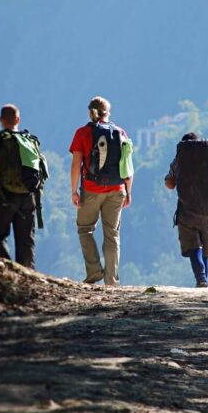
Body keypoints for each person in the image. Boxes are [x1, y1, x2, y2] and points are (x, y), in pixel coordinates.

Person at [69, 96, 133, 286]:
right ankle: (111, 280)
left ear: (90, 112)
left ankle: (94, 271)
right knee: (112, 234)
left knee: (85, 229)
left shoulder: (82, 133)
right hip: (117, 189)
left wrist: (74, 191)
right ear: (108, 113)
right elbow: (127, 167)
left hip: (91, 189)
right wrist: (128, 191)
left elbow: (75, 166)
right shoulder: (120, 132)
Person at [164, 131, 208, 288]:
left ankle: (201, 279)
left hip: (188, 210)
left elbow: (170, 184)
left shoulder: (180, 159)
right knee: (206, 249)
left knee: (193, 246)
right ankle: (204, 280)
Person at [0, 103, 43, 269]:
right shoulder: (29, 140)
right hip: (28, 197)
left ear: (1, 120)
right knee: (26, 240)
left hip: (5, 196)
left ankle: (11, 270)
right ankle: (28, 275)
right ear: (18, 119)